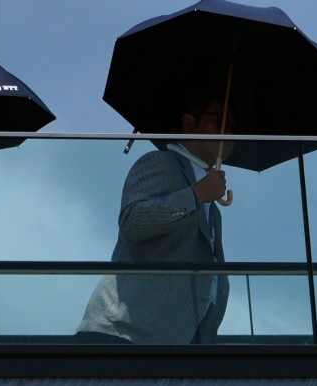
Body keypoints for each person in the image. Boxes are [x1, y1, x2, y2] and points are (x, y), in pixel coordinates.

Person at [75, 96, 235, 344]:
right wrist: (196, 195)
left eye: (234, 127)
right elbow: (133, 221)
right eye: (220, 120)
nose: (229, 131)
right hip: (121, 334)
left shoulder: (214, 209)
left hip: (173, 346)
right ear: (189, 122)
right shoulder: (161, 162)